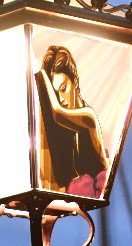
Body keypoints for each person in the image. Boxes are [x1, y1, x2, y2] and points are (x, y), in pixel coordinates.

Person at [35, 44, 109, 197]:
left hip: (98, 192)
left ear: (74, 81)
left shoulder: (88, 117)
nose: (61, 99)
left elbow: (57, 113)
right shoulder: (68, 130)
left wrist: (42, 75)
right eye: (56, 94)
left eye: (63, 88)